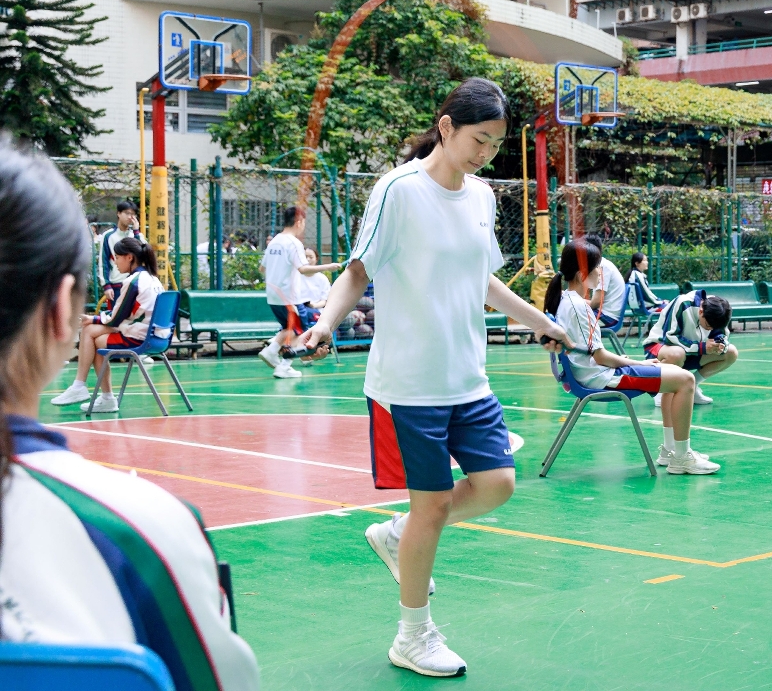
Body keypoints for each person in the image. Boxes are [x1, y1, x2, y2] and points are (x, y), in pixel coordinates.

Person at [296, 78, 571, 678]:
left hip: (467, 377)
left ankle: (398, 536)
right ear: (446, 127)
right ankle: (413, 636)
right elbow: (358, 271)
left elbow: (484, 280)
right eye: (479, 140)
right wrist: (323, 325)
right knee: (433, 506)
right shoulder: (398, 191)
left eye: (496, 145)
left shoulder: (482, 197)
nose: (486, 154)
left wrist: (542, 322)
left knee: (497, 484)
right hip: (409, 384)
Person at [0, 141, 259, 688]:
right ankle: (93, 389)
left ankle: (94, 389)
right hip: (136, 340)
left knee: (101, 335)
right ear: (60, 309)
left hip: (135, 337)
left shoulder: (137, 281)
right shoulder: (145, 531)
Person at [549, 242, 717, 474]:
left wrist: (628, 361)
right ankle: (681, 457)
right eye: (597, 268)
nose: (601, 273)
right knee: (686, 380)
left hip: (595, 373)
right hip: (600, 378)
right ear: (581, 275)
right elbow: (600, 357)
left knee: (675, 374)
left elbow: (592, 352)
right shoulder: (579, 307)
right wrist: (638, 362)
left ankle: (671, 450)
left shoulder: (567, 301)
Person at [49, 237, 163, 413]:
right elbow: (125, 314)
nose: (115, 262)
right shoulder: (153, 279)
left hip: (139, 336)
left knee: (91, 335)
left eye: (117, 257)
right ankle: (92, 392)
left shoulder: (133, 282)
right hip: (155, 336)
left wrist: (93, 319)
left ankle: (89, 390)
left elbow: (117, 318)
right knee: (91, 332)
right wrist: (94, 320)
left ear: (129, 257)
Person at [257, 206, 341, 379]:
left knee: (289, 328)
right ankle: (283, 365)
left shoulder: (274, 242)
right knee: (299, 331)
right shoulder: (294, 243)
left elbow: (262, 269)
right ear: (299, 222)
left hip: (273, 296)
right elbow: (304, 269)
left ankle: (272, 351)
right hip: (289, 296)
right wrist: (329, 266)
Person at [643, 288, 737, 406]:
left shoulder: (719, 310)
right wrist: (702, 347)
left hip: (690, 351)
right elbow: (670, 337)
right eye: (708, 326)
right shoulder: (683, 303)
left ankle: (692, 386)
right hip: (659, 349)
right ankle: (661, 391)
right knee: (676, 353)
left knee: (731, 352)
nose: (710, 329)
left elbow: (722, 334)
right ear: (701, 312)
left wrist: (721, 344)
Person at [97, 200, 141, 303]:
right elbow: (103, 261)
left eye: (133, 214)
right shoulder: (108, 236)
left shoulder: (136, 235)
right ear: (119, 213)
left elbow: (142, 255)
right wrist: (106, 285)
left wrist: (136, 232)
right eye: (127, 213)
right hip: (116, 284)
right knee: (116, 313)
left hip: (135, 284)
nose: (130, 217)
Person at [581, 233, 626, 328]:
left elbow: (595, 303)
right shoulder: (601, 265)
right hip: (604, 314)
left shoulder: (602, 267)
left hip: (607, 317)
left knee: (570, 318)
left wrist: (573, 301)